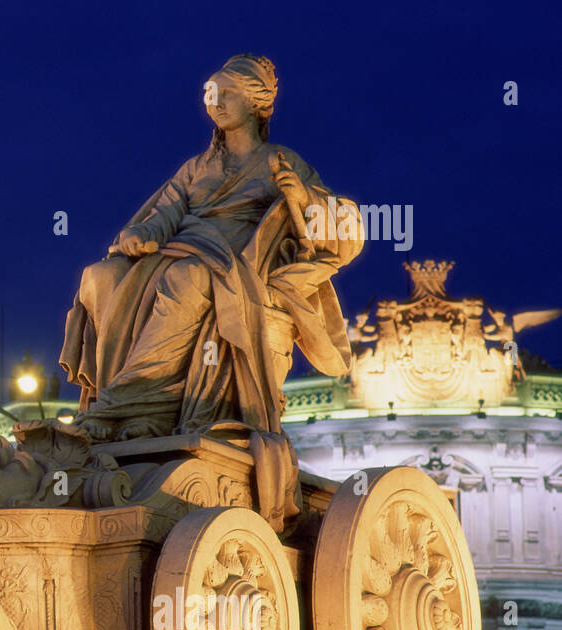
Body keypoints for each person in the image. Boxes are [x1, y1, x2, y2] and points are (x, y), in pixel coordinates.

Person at [59, 54, 363, 446]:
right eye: (210, 93)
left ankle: (132, 399)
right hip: (186, 248)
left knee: (187, 277)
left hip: (237, 264)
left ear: (256, 101)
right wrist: (143, 232)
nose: (214, 102)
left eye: (226, 93)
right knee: (99, 276)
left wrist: (304, 198)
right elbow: (166, 212)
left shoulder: (278, 161)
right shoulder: (195, 167)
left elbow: (344, 232)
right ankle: (112, 394)